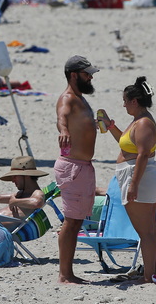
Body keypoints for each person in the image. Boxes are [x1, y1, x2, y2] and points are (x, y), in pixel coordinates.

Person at [98, 76, 156, 284]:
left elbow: (143, 155)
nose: (123, 104)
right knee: (150, 231)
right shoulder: (139, 120)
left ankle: (148, 278)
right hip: (141, 176)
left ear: (134, 101)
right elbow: (127, 145)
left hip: (140, 177)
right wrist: (110, 126)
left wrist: (133, 184)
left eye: (125, 100)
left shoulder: (143, 123)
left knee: (146, 233)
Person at [55, 55, 100, 284]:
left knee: (76, 221)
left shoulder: (81, 98)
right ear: (74, 75)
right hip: (73, 167)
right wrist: (63, 130)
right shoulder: (68, 98)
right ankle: (65, 274)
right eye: (86, 74)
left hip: (82, 166)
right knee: (71, 222)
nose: (91, 77)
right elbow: (61, 116)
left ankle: (67, 272)